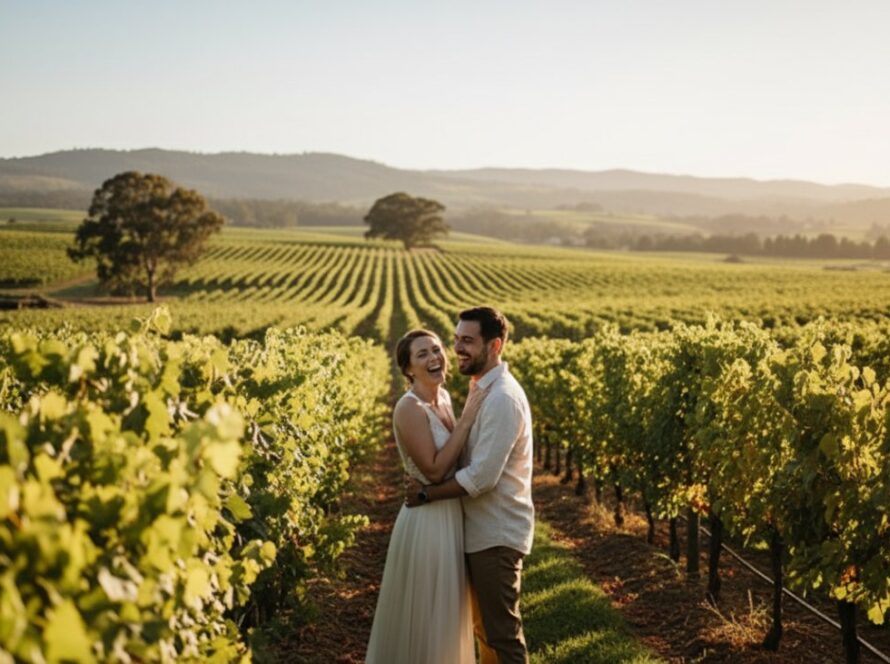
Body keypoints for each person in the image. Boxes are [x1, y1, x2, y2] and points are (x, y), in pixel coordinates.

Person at [405, 307, 534, 664]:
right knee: (485, 633)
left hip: (496, 533)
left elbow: (482, 477)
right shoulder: (482, 389)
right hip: (480, 531)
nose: (458, 348)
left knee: (501, 636)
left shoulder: (502, 398)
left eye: (468, 341)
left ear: (495, 346)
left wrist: (427, 493)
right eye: (457, 339)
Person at [365, 329, 488, 664]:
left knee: (446, 616)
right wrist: (467, 421)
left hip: (450, 516)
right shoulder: (409, 408)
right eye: (422, 354)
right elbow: (434, 471)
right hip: (427, 522)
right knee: (426, 617)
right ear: (408, 369)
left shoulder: (443, 397)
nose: (434, 358)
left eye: (436, 349)